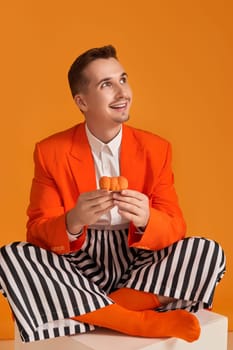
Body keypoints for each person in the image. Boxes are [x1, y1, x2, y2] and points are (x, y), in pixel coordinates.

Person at [0, 45, 226, 343]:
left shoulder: (156, 149)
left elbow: (175, 226)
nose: (122, 93)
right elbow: (37, 233)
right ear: (82, 101)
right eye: (107, 85)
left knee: (207, 252)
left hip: (139, 261)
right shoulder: (50, 151)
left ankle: (93, 311)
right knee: (10, 257)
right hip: (77, 264)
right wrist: (73, 221)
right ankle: (135, 321)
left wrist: (148, 218)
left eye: (123, 79)